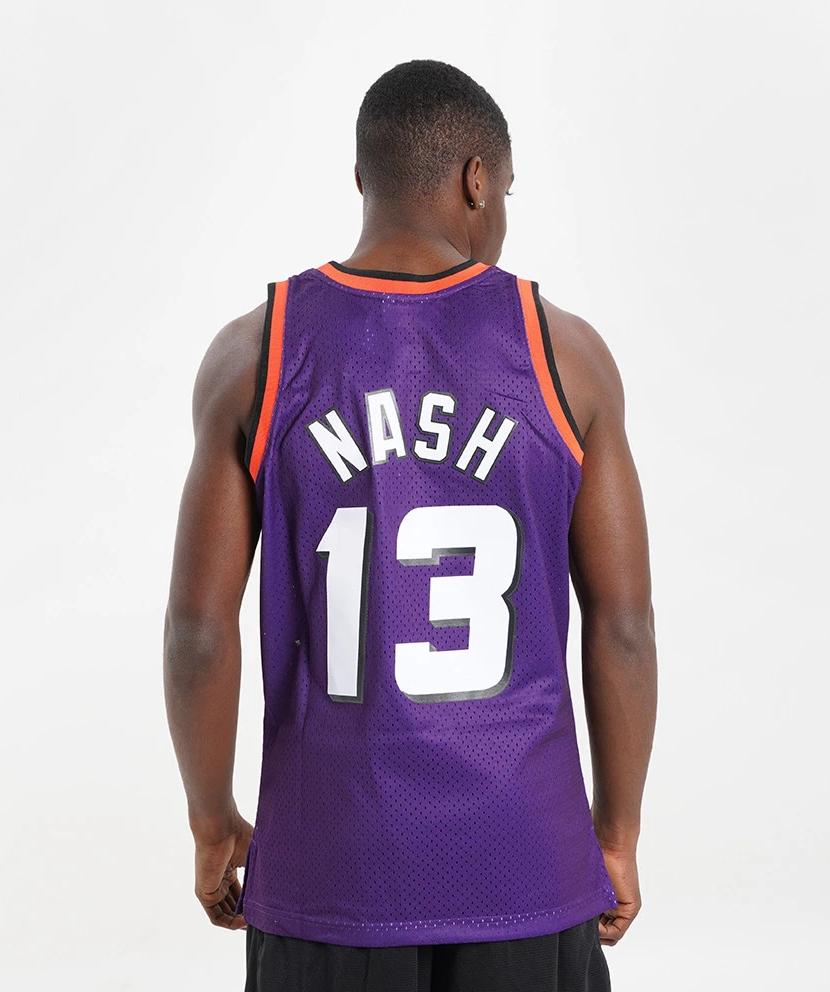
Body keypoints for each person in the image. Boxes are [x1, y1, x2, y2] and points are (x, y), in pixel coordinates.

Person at [164, 59, 657, 992]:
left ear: (363, 177)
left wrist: (210, 818)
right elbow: (624, 625)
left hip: (329, 868)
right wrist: (617, 833)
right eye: (506, 189)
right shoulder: (567, 354)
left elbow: (198, 630)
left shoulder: (255, 353)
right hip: (526, 861)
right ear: (478, 180)